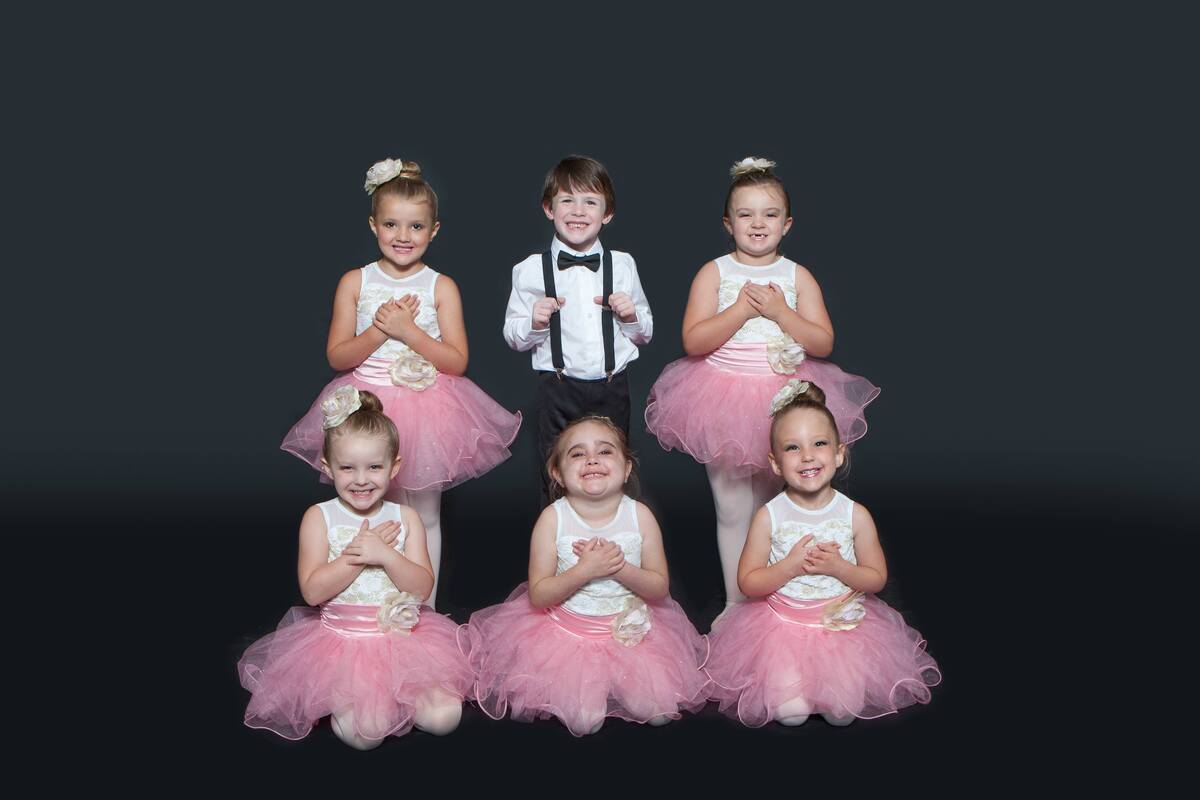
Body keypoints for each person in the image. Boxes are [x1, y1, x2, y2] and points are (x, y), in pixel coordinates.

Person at [282, 158, 521, 607]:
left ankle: (421, 607)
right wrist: (381, 330)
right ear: (373, 225)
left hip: (428, 407)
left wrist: (410, 333)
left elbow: (457, 360)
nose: (403, 236)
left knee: (425, 513)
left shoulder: (440, 286)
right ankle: (372, 600)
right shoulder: (356, 281)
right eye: (391, 224)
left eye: (416, 226)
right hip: (366, 408)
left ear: (434, 231)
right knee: (373, 498)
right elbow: (338, 355)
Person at [645, 156, 879, 609]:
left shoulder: (797, 276)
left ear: (787, 224)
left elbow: (823, 341)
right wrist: (740, 311)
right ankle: (736, 605)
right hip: (723, 398)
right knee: (732, 508)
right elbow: (694, 340)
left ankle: (778, 597)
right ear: (727, 223)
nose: (757, 223)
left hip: (787, 400)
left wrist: (779, 313)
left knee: (780, 507)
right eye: (745, 214)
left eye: (769, 214)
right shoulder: (714, 273)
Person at [241, 388, 472, 748]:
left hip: (403, 644)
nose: (361, 479)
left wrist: (386, 554)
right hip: (343, 645)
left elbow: (422, 587)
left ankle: (401, 696)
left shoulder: (405, 517)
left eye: (374, 467)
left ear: (394, 467)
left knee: (445, 719)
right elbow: (314, 592)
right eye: (347, 467)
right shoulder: (320, 518)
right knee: (368, 734)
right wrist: (356, 554)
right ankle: (359, 702)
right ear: (327, 466)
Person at [703, 380, 940, 726]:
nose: (808, 456)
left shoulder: (854, 514)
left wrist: (839, 567)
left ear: (839, 452)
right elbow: (749, 582)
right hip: (782, 628)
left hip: (839, 631)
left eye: (819, 444)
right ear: (775, 463)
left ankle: (825, 683)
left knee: (843, 713)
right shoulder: (770, 516)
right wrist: (789, 567)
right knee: (790, 714)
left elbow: (875, 578)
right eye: (793, 448)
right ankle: (796, 685)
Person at [460, 416, 709, 735]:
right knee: (584, 722)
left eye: (605, 451)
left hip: (629, 636)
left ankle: (627, 680)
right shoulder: (553, 519)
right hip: (569, 636)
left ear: (627, 468)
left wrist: (619, 567)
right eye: (577, 454)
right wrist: (584, 571)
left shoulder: (640, 516)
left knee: (660, 712)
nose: (592, 459)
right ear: (557, 473)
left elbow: (659, 587)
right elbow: (539, 595)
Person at [503, 155, 652, 505]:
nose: (578, 211)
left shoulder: (623, 265)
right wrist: (534, 323)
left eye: (590, 202)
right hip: (557, 388)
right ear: (548, 209)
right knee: (554, 469)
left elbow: (645, 333)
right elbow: (513, 335)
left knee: (617, 465)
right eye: (567, 200)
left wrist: (631, 316)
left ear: (607, 213)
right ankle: (556, 548)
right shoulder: (529, 270)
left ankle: (618, 539)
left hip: (613, 386)